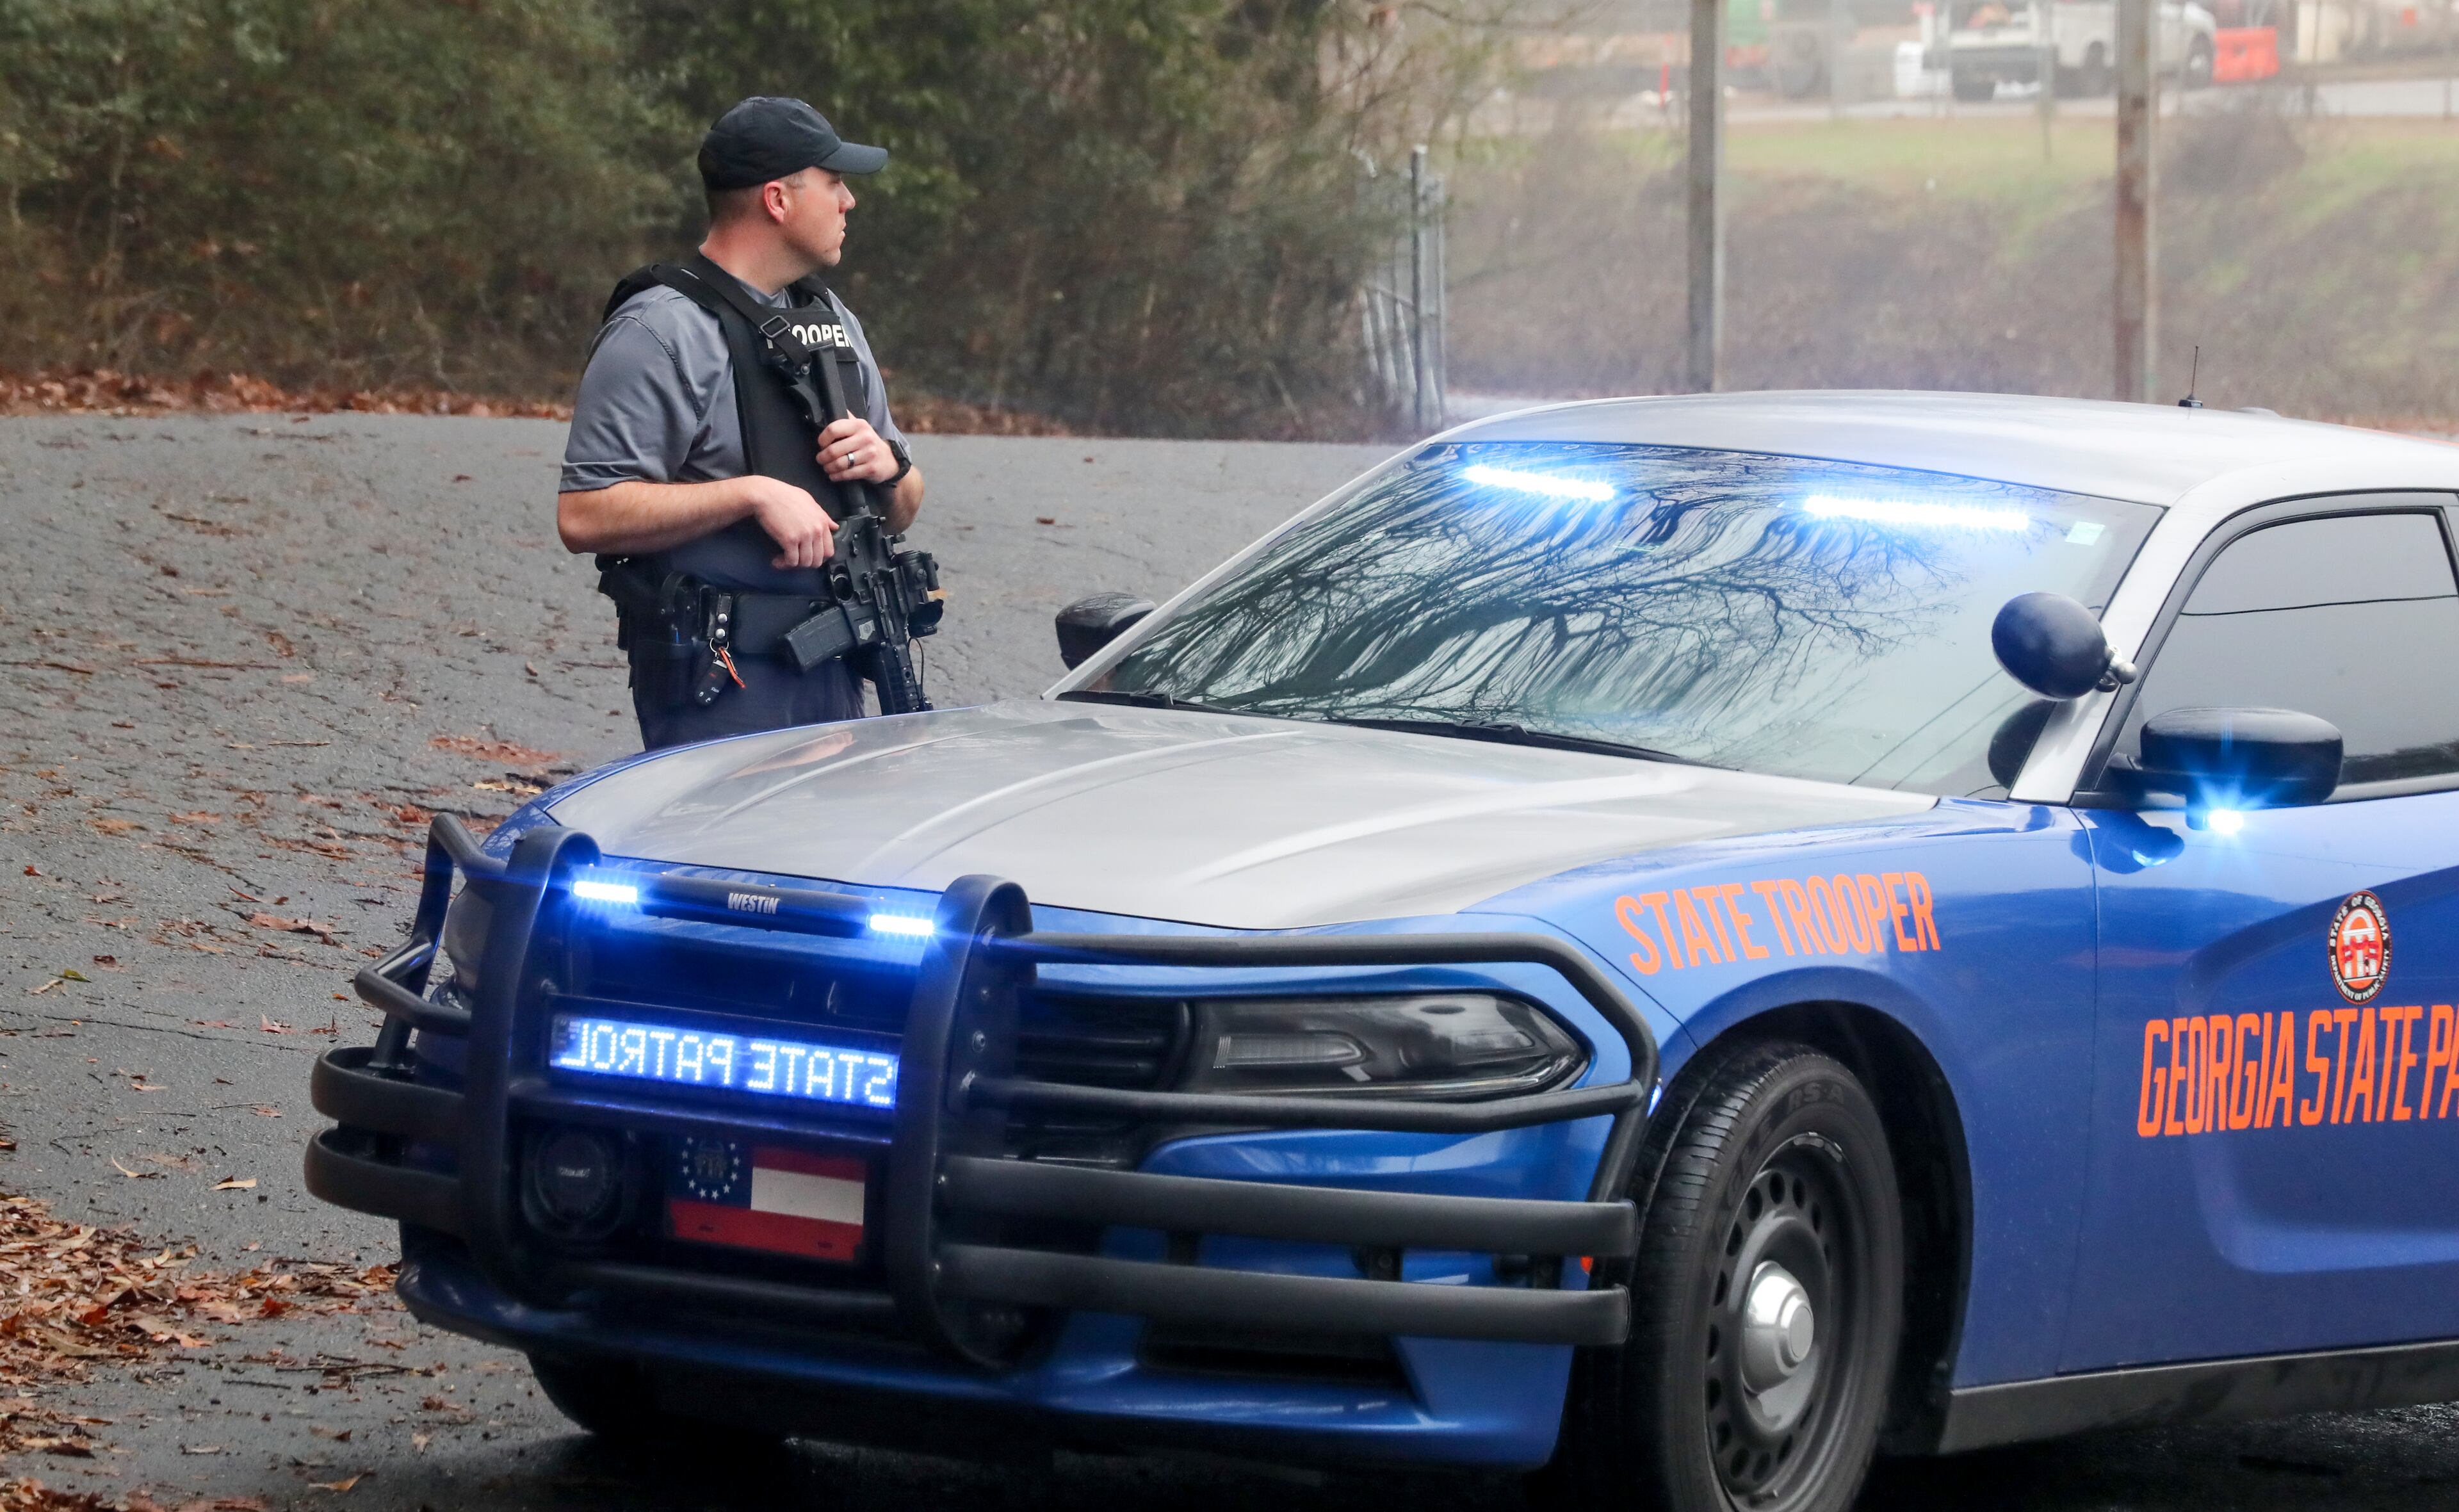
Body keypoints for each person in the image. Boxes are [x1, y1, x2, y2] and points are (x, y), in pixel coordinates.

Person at [556, 95, 925, 751]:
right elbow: (585, 514)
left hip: (837, 666)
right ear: (777, 200)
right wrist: (749, 494)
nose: (849, 202)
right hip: (719, 681)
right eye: (834, 183)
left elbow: (903, 509)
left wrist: (890, 468)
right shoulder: (660, 330)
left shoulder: (833, 322)